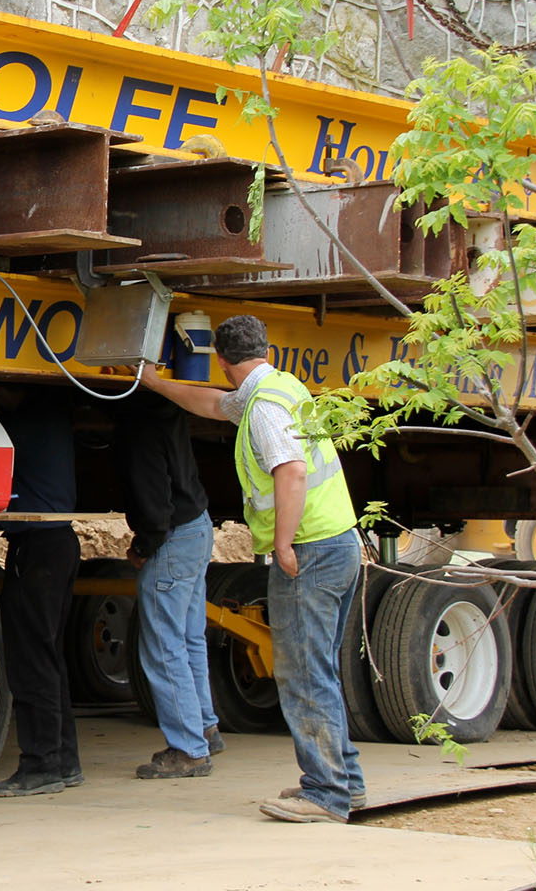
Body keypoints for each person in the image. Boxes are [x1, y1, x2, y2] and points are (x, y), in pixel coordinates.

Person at [137, 314, 365, 822]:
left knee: (303, 674)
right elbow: (214, 404)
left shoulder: (263, 407)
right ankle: (344, 783)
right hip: (337, 543)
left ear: (221, 359)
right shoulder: (280, 386)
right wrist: (155, 383)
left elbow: (292, 471)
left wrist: (282, 545)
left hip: (310, 550)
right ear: (265, 349)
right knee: (319, 671)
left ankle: (325, 794)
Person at [117, 390, 220, 779]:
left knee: (164, 647)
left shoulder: (138, 424)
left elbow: (152, 499)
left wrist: (146, 544)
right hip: (197, 527)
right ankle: (205, 728)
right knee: (189, 639)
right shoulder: (168, 407)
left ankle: (188, 749)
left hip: (174, 538)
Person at [0, 385, 83, 797]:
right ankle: (63, 759)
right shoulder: (53, 419)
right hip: (57, 544)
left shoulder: (21, 424)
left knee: (30, 662)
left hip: (38, 548)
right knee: (49, 657)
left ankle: (40, 764)